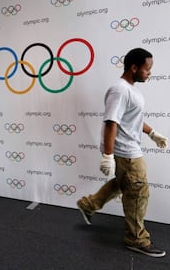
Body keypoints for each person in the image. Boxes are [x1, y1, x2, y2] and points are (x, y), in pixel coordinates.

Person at [76, 48, 167, 258]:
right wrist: (108, 156)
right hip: (127, 153)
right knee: (137, 193)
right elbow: (111, 122)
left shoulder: (131, 89)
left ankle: (88, 205)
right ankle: (136, 239)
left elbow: (131, 118)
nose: (149, 73)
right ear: (134, 68)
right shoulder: (120, 90)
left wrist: (152, 133)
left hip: (129, 151)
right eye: (147, 69)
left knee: (121, 183)